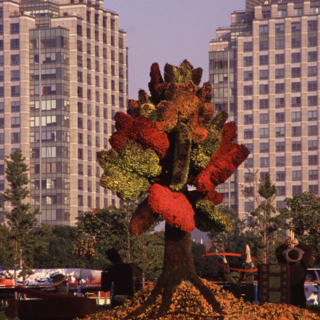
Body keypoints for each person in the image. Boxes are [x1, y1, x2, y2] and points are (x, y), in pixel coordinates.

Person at [275, 239, 313, 308]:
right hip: (300, 299)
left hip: (286, 299)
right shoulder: (302, 268)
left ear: (287, 257)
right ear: (299, 256)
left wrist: (285, 244)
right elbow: (309, 250)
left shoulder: (285, 267)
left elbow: (278, 252)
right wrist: (298, 243)